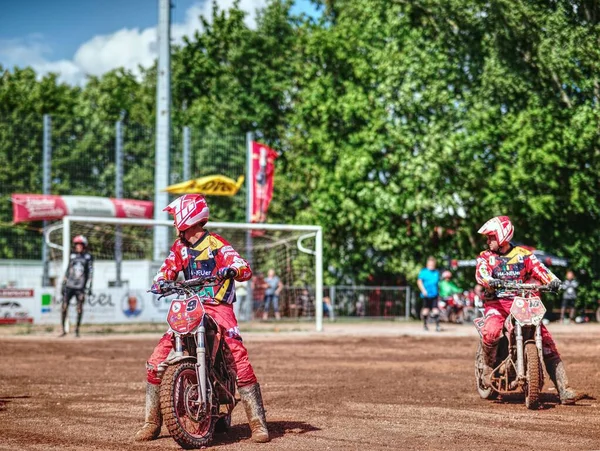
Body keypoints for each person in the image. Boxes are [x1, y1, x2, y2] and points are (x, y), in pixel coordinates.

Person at [135, 194, 269, 443]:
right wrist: (160, 282)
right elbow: (166, 269)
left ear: (188, 217)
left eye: (176, 217)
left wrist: (233, 269)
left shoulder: (216, 243)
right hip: (190, 306)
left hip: (218, 306)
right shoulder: (180, 248)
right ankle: (151, 423)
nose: (175, 223)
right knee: (155, 361)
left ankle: (258, 424)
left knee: (237, 354)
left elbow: (242, 265)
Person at [475, 215, 581, 404]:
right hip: (496, 305)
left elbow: (540, 270)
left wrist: (553, 281)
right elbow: (481, 273)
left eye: (491, 236)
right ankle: (487, 366)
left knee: (546, 340)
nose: (488, 240)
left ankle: (563, 388)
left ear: (502, 236)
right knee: (490, 331)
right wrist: (490, 281)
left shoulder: (524, 254)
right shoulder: (486, 257)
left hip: (521, 304)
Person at [60, 235, 93, 338]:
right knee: (64, 307)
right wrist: (64, 282)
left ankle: (77, 330)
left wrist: (89, 286)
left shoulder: (88, 257)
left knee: (79, 308)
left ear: (84, 246)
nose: (78, 247)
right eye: (77, 245)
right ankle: (63, 330)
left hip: (80, 287)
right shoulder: (72, 256)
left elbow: (90, 272)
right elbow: (68, 270)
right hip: (69, 285)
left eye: (80, 245)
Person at [417, 256, 440, 331]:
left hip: (434, 294)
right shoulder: (423, 272)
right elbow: (419, 281)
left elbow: (438, 283)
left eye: (432, 265)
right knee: (426, 309)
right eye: (430, 265)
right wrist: (423, 290)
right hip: (426, 294)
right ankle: (425, 325)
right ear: (427, 265)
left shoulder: (436, 272)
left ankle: (437, 326)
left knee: (435, 309)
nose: (431, 266)